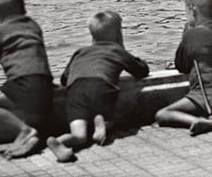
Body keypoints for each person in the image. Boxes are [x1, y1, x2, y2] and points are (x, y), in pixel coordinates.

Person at [46, 11, 149, 163]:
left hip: (76, 90)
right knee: (111, 115)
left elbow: (64, 79)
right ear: (118, 35)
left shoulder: (80, 52)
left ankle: (60, 142)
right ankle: (103, 123)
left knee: (79, 135)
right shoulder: (117, 51)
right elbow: (141, 71)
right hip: (102, 86)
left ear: (92, 36)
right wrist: (123, 49)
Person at [0, 0, 53, 159]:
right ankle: (34, 137)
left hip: (22, 84)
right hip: (44, 84)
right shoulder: (33, 25)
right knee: (36, 120)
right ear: (23, 6)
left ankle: (25, 131)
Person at [155, 0, 212, 135]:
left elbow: (182, 65)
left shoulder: (191, 34)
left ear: (193, 11)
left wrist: (185, 33)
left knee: (162, 114)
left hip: (207, 96)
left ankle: (200, 121)